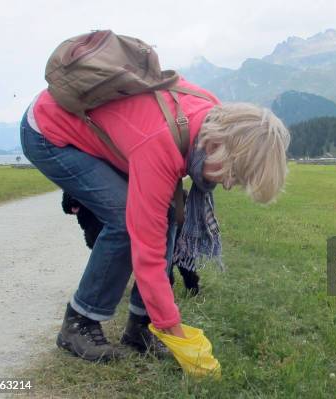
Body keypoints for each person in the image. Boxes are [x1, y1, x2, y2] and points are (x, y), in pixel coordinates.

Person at [20, 77, 290, 362]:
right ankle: (80, 323)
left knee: (171, 213)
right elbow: (147, 253)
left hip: (114, 133)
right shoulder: (161, 143)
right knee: (125, 219)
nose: (227, 184)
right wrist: (175, 333)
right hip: (48, 130)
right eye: (233, 174)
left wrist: (159, 323)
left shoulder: (215, 117)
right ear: (214, 147)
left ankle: (141, 327)